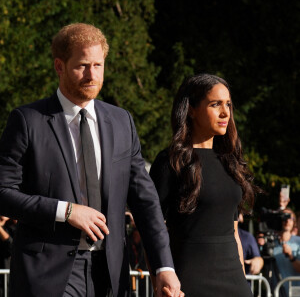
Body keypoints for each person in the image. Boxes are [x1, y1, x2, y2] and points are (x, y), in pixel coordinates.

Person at [0, 23, 183, 297]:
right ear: (59, 66)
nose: (92, 75)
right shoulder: (28, 121)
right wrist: (67, 211)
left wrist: (164, 267)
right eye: (83, 65)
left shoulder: (122, 122)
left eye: (98, 65)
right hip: (47, 275)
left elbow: (145, 201)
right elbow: (3, 193)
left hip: (110, 272)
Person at [150, 73, 258, 296]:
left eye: (228, 104)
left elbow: (234, 231)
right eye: (215, 104)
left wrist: (242, 281)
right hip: (188, 280)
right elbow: (152, 229)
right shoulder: (171, 161)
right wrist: (159, 279)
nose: (225, 112)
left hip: (234, 279)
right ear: (191, 109)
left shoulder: (231, 161)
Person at [273, 208, 300, 296]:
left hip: (295, 293)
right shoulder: (271, 243)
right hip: (276, 293)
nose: (287, 220)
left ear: (294, 222)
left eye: (290, 218)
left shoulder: (298, 242)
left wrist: (291, 257)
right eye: (284, 217)